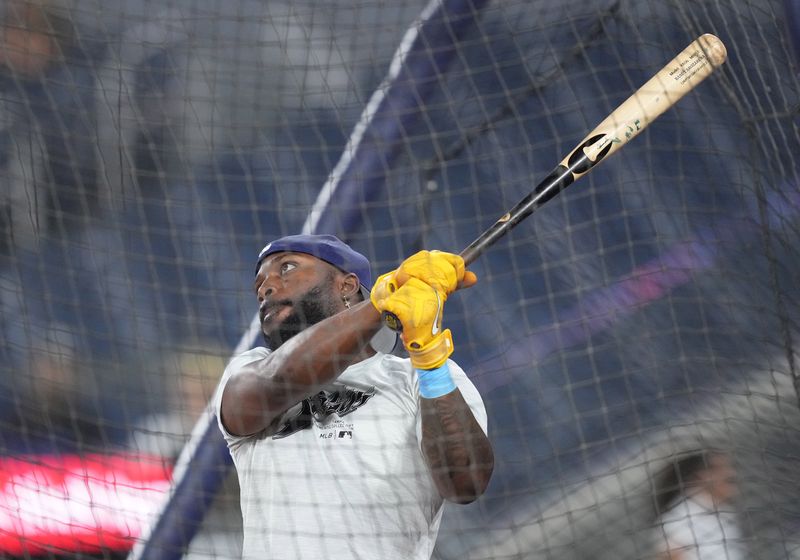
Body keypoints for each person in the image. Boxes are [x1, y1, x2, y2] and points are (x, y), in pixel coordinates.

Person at [215, 233, 494, 559]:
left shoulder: (415, 378)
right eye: (259, 284)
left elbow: (465, 483)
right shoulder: (252, 369)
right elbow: (278, 381)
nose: (266, 288)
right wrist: (381, 303)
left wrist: (429, 356)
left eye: (286, 268)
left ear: (347, 286)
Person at [652, 449, 745, 560]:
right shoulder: (678, 517)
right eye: (719, 469)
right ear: (701, 476)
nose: (730, 473)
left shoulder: (724, 511)